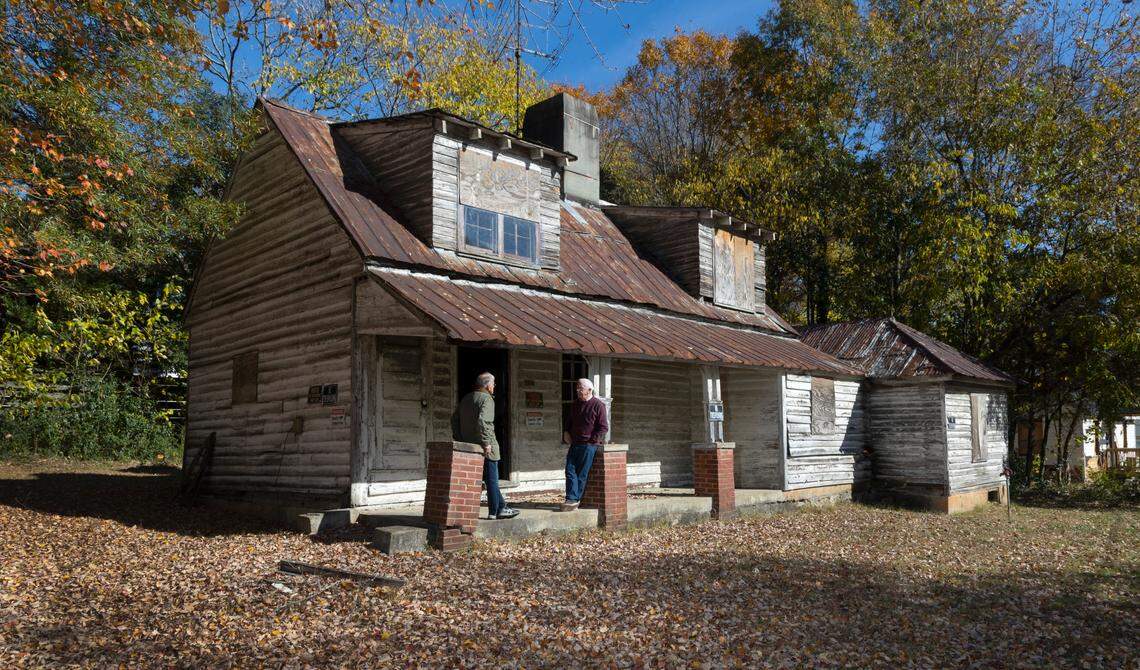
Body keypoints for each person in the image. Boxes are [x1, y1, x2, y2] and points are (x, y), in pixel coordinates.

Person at [452, 372, 518, 520]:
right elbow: (484, 422)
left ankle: (502, 506)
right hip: (485, 446)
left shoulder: (466, 398)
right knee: (492, 479)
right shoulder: (487, 399)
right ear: (488, 385)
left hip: (469, 446)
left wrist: (461, 439)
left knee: (477, 478)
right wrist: (487, 442)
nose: (494, 386)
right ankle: (494, 511)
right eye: (493, 384)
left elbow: (454, 421)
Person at [561, 378, 609, 512]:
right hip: (575, 443)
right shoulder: (575, 404)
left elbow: (603, 427)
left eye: (580, 388)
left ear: (589, 390)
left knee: (581, 474)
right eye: (577, 388)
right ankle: (571, 498)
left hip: (588, 445)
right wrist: (565, 432)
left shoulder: (598, 405)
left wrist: (592, 440)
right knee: (569, 470)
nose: (577, 391)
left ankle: (574, 499)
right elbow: (569, 421)